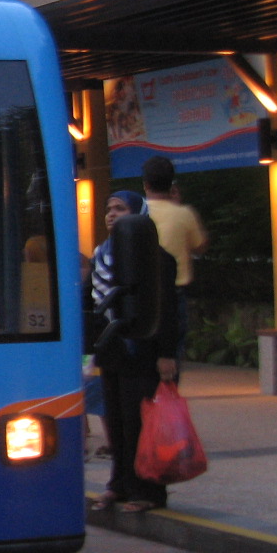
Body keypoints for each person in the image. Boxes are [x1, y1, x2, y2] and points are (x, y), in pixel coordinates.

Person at [89, 191, 179, 514]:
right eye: (108, 208)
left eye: (121, 208)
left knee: (140, 423)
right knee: (115, 422)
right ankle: (119, 484)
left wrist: (166, 353)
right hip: (114, 351)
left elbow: (168, 310)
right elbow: (96, 307)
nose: (112, 214)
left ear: (139, 216)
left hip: (145, 352)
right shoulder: (101, 256)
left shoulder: (157, 259)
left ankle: (148, 490)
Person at [142, 155, 205, 360]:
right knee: (172, 350)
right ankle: (170, 390)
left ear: (146, 184)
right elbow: (200, 246)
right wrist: (177, 205)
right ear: (171, 185)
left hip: (142, 292)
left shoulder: (136, 211)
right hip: (175, 291)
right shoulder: (184, 213)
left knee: (142, 351)